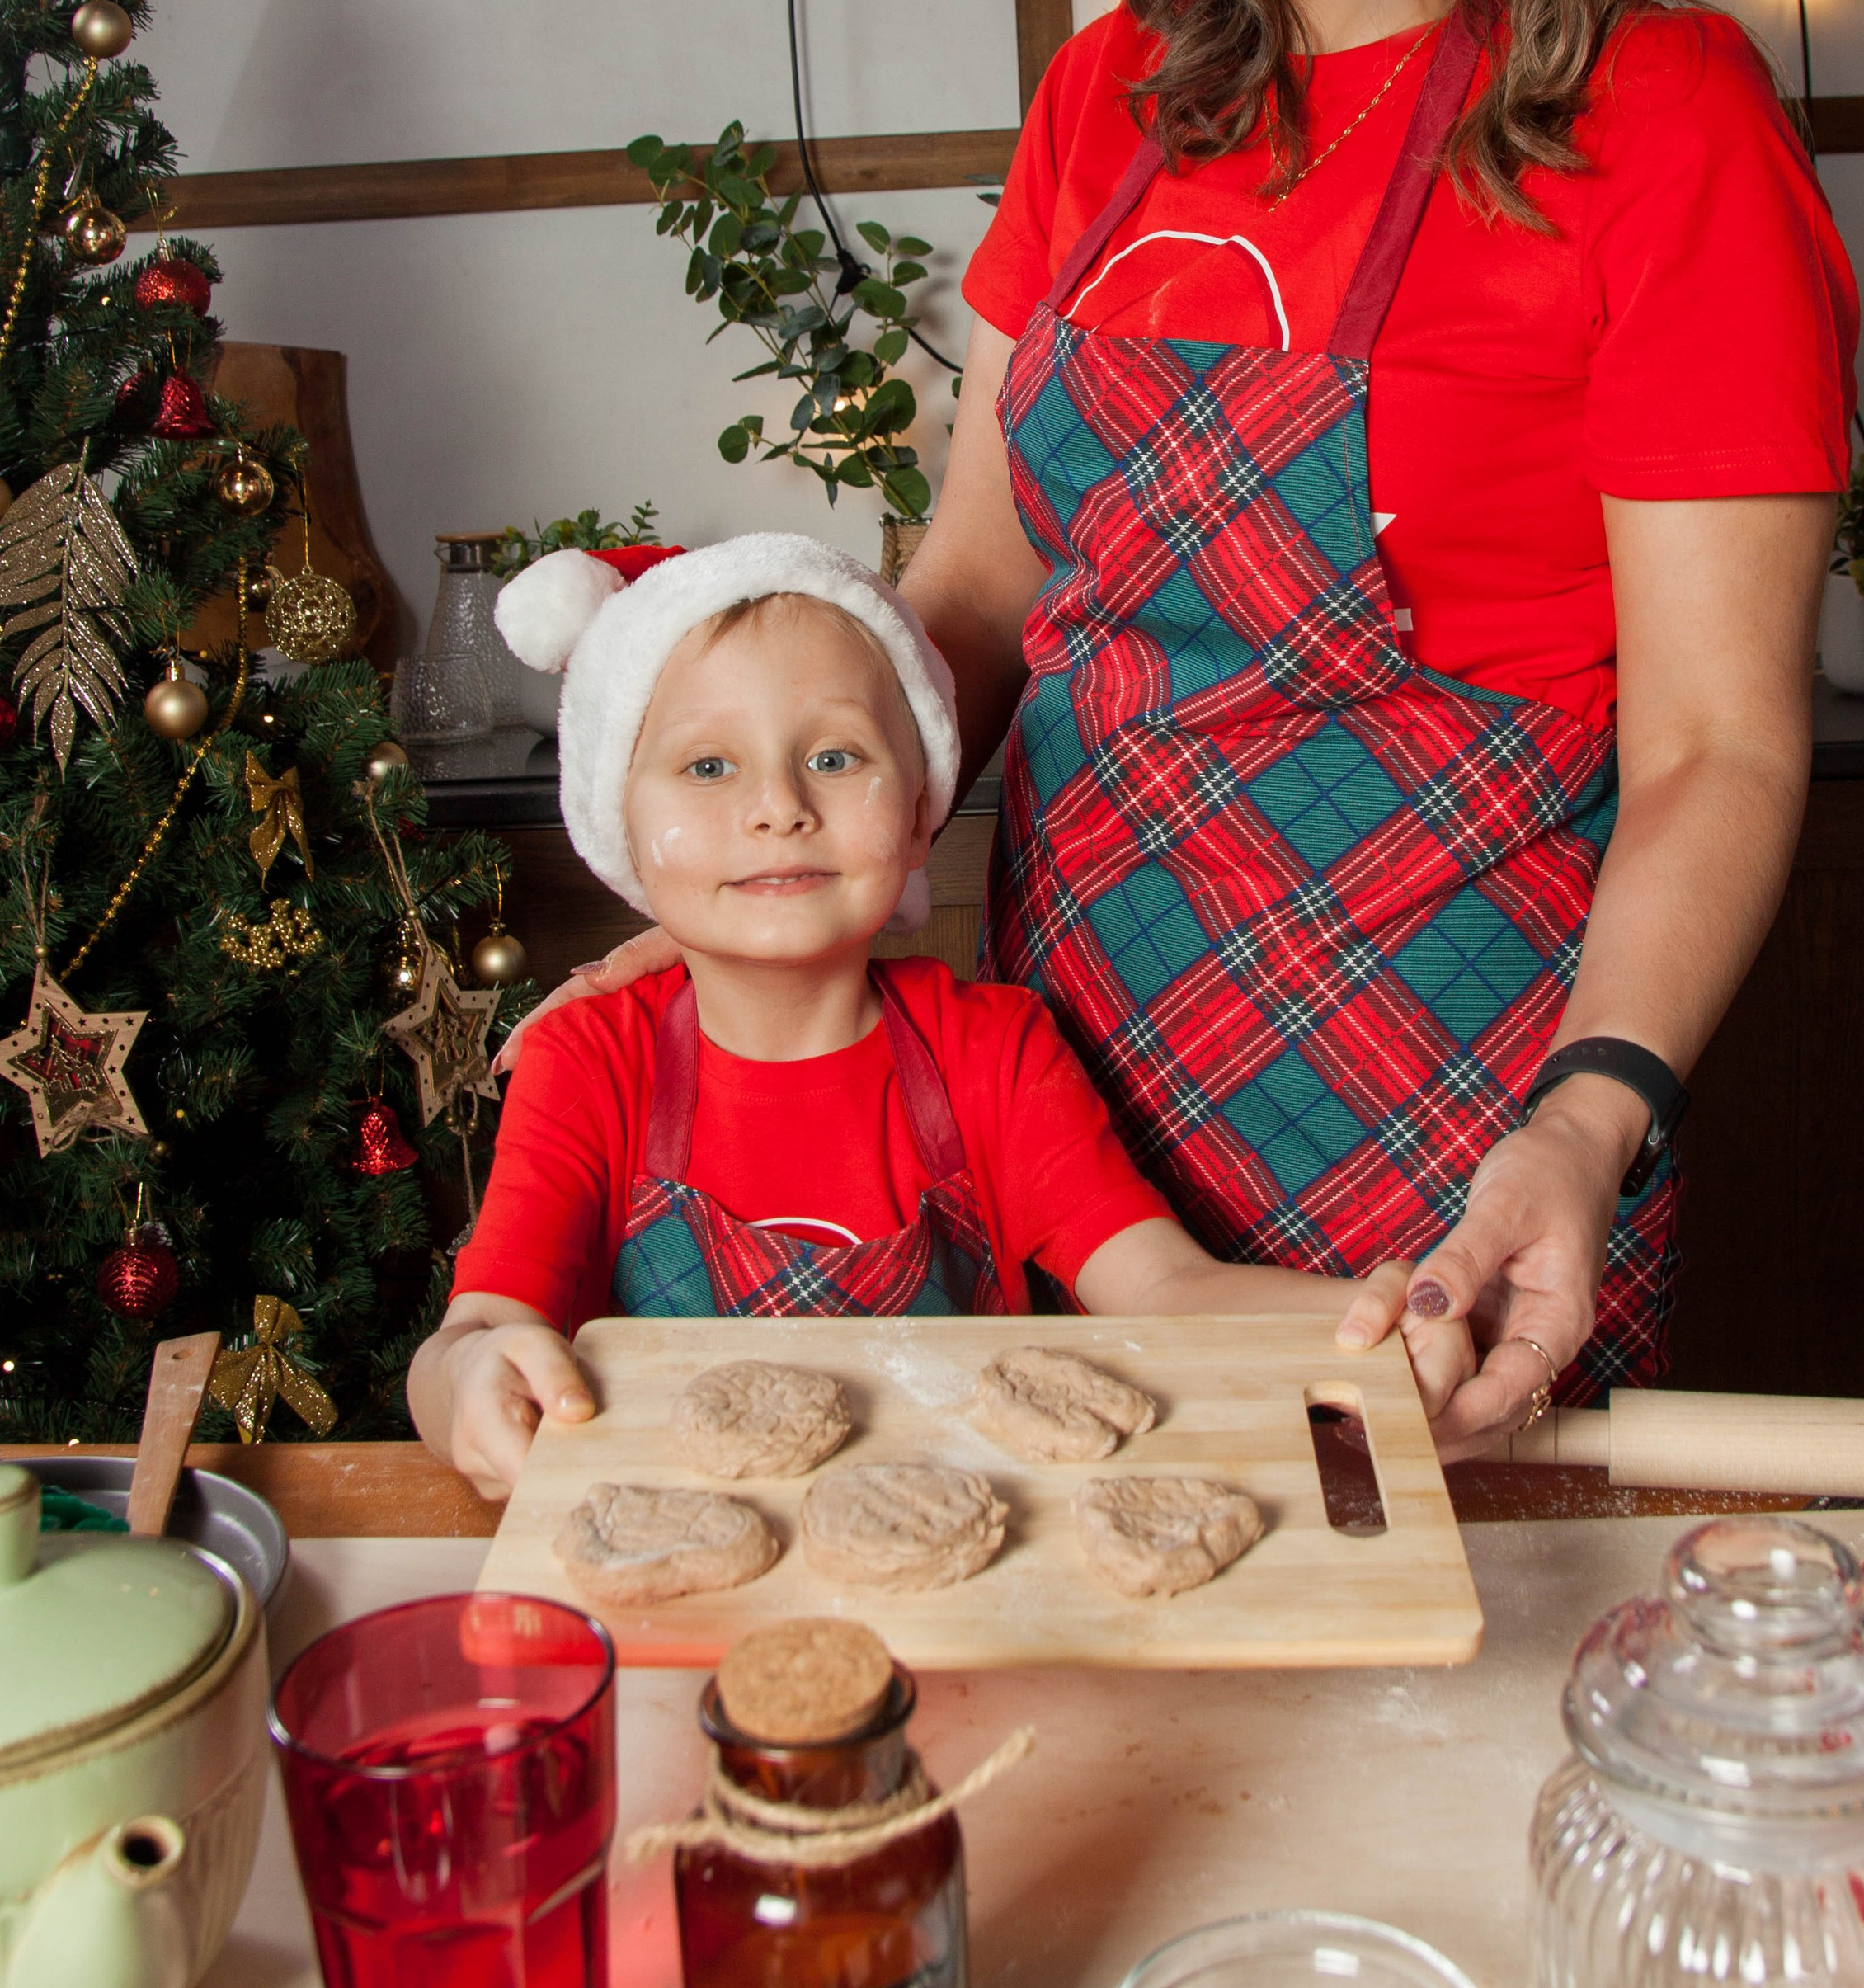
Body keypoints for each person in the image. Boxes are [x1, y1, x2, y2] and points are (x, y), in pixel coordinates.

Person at [506, 0, 1858, 1459]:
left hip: (1465, 1107)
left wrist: (1591, 1124)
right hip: (1054, 1087)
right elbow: (968, 605)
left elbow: (1719, 746)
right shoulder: (1109, 98)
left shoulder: (1664, 121)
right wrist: (723, 879)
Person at [412, 536, 1353, 1498]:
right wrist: (469, 1383)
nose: (778, 806)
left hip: (962, 1558)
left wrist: (1374, 1326)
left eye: (833, 756)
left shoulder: (995, 1051)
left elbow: (1164, 1291)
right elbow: (469, 1342)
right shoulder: (590, 1063)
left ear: (915, 816)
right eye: (706, 767)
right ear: (616, 824)